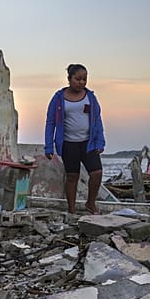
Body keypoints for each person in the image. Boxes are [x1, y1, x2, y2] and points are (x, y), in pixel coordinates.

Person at [44, 63, 106, 215]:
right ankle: (71, 210)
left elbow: (97, 119)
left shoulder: (90, 97)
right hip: (68, 143)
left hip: (88, 143)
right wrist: (49, 146)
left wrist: (100, 141)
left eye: (84, 79)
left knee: (96, 172)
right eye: (78, 79)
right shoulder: (58, 98)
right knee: (72, 176)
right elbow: (50, 122)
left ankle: (91, 203)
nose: (82, 82)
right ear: (69, 79)